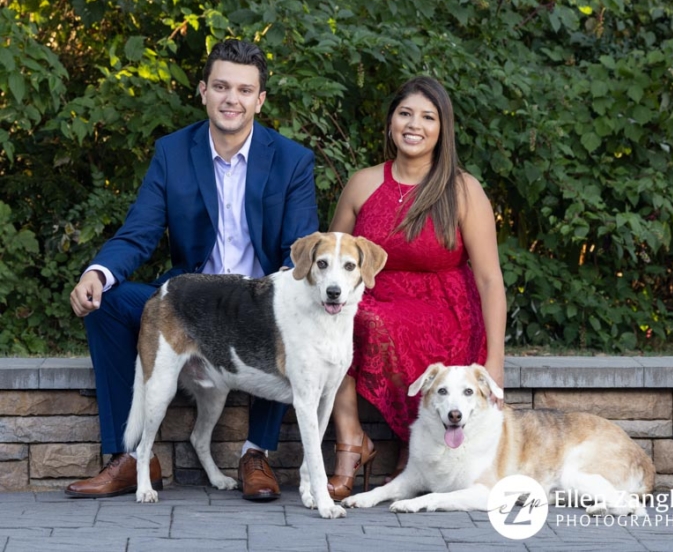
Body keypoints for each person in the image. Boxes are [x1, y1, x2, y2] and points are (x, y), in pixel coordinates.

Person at [65, 39, 318, 500]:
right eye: (221, 86)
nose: (231, 99)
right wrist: (97, 274)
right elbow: (139, 232)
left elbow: (296, 253)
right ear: (203, 91)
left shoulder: (292, 161)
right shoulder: (173, 152)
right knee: (107, 305)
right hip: (191, 300)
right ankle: (127, 457)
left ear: (259, 100)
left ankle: (255, 453)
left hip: (260, 300)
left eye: (244, 90)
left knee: (289, 315)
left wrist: (275, 300)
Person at [326, 76, 506, 500]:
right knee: (337, 318)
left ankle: (417, 447)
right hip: (371, 299)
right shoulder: (363, 183)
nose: (414, 125)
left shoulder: (462, 189)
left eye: (428, 117)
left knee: (367, 318)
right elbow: (332, 258)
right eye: (405, 113)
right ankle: (351, 440)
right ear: (391, 121)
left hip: (445, 310)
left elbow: (489, 279)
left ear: (442, 128)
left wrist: (495, 361)